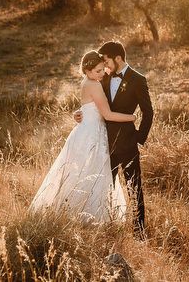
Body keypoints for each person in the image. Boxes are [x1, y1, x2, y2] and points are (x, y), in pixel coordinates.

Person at [29, 51, 132, 223]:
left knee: (81, 172)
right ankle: (92, 216)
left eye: (102, 70)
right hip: (92, 135)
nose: (102, 73)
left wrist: (79, 112)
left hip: (83, 132)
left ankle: (73, 212)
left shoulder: (87, 81)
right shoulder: (94, 85)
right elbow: (107, 114)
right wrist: (132, 117)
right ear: (87, 70)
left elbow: (87, 107)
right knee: (93, 172)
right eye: (98, 71)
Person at [73, 40, 153, 237]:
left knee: (134, 186)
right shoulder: (104, 77)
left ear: (118, 58)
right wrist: (79, 112)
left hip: (128, 143)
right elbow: (94, 102)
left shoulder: (138, 79)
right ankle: (108, 228)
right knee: (105, 187)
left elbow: (148, 112)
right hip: (104, 142)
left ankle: (139, 232)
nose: (105, 65)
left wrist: (138, 138)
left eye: (107, 61)